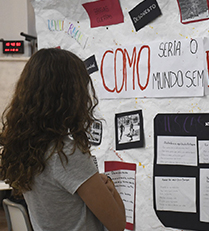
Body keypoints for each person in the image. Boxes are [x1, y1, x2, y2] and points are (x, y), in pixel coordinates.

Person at [0, 48, 126, 231]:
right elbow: (117, 224)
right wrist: (110, 187)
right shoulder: (66, 153)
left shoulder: (26, 146)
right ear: (69, 95)